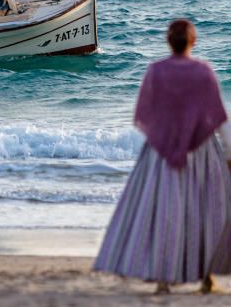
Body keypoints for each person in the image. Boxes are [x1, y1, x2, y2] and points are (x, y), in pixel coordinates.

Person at [94, 19, 231, 294]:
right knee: (206, 212)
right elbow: (218, 116)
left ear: (169, 42)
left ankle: (162, 280)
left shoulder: (156, 71)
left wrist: (164, 138)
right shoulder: (203, 71)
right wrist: (229, 152)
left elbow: (146, 114)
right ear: (194, 41)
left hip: (161, 152)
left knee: (164, 213)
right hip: (201, 151)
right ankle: (206, 278)